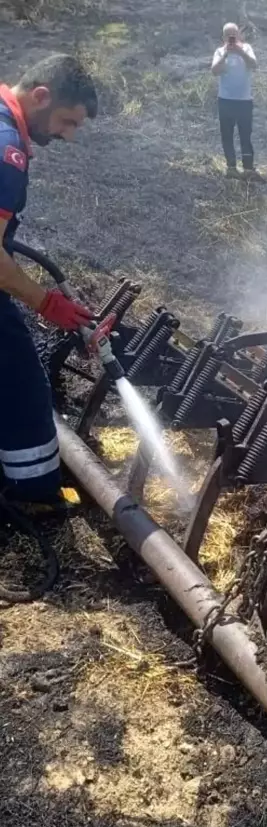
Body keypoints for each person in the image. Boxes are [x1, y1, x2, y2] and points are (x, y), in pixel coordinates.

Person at [0, 54, 96, 505]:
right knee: (20, 381)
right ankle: (34, 493)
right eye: (66, 121)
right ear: (40, 96)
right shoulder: (6, 150)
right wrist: (46, 303)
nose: (68, 135)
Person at [211, 23, 260, 179]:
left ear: (239, 35)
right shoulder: (219, 52)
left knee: (245, 135)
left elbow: (254, 64)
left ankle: (248, 168)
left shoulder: (246, 49)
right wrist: (225, 55)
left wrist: (240, 53)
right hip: (225, 101)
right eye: (228, 35)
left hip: (244, 101)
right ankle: (231, 166)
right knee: (227, 135)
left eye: (234, 34)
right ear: (223, 37)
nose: (232, 38)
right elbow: (214, 71)